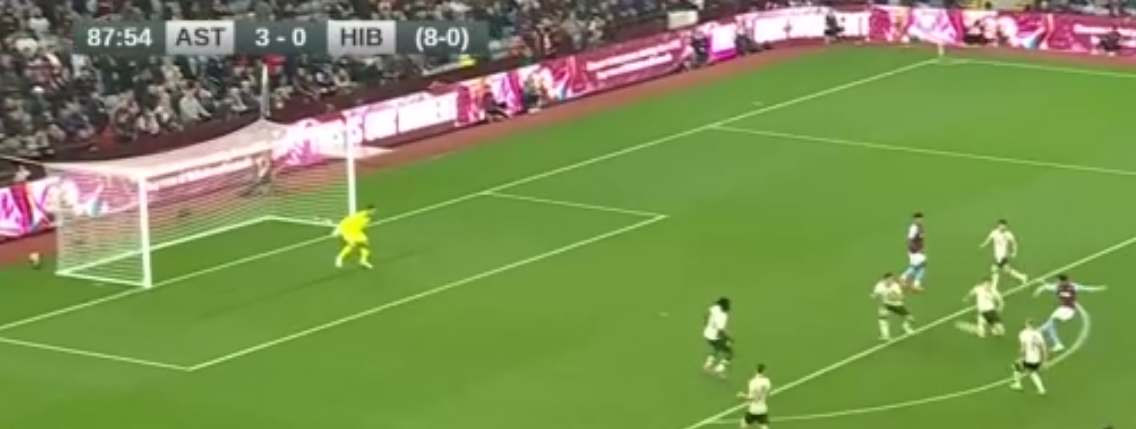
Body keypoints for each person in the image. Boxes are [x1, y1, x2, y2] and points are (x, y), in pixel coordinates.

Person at [1033, 274, 1106, 351]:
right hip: (1063, 309)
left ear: (1062, 281)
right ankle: (1054, 342)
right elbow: (1046, 287)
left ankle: (1038, 333)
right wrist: (1040, 287)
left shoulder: (1071, 286)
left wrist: (1099, 288)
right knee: (1051, 324)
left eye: (1058, 281)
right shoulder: (1060, 287)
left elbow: (1086, 288)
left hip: (1067, 310)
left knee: (1051, 322)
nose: (1057, 282)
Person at [979, 219, 1028, 288]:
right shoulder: (994, 233)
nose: (1002, 227)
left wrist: (1014, 252)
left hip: (1003, 256)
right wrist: (983, 244)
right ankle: (1022, 277)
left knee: (994, 269)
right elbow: (989, 239)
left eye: (1004, 226)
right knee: (1006, 270)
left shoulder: (1008, 234)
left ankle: (994, 287)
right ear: (998, 225)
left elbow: (1014, 243)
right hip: (997, 255)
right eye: (1001, 225)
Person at [872, 273, 914, 340]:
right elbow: (876, 293)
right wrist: (874, 296)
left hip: (897, 305)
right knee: (882, 318)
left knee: (910, 319)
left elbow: (901, 297)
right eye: (889, 279)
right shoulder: (879, 286)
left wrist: (895, 297)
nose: (891, 281)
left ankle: (905, 326)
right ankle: (885, 335)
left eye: (892, 279)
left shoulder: (896, 286)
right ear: (884, 279)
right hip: (886, 304)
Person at [1010, 319, 1047, 394]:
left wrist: (1021, 357)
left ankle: (1018, 384)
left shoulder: (1023, 334)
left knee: (1016, 366)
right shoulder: (1038, 334)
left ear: (1027, 325)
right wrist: (1044, 360)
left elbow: (1023, 348)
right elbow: (1043, 347)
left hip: (1028, 358)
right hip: (1037, 359)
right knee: (1032, 372)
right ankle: (1041, 389)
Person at [334, 205, 377, 269]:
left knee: (365, 245)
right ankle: (339, 258)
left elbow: (362, 225)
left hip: (357, 232)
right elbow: (345, 221)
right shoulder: (358, 215)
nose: (374, 212)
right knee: (352, 245)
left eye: (374, 211)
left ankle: (363, 261)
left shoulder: (369, 217)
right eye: (372, 211)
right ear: (368, 210)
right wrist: (338, 230)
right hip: (348, 231)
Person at [702, 297, 733, 377]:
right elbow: (720, 333)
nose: (729, 306)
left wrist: (706, 324)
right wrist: (728, 338)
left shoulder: (715, 308)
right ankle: (719, 369)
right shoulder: (723, 317)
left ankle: (707, 365)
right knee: (729, 353)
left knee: (716, 349)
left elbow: (706, 314)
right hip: (714, 337)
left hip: (706, 334)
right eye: (727, 305)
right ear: (724, 306)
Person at [738, 364, 771, 429]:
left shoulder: (752, 382)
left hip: (753, 409)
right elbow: (767, 393)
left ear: (756, 370)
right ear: (764, 371)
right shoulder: (767, 381)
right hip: (763, 408)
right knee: (764, 426)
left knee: (743, 424)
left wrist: (742, 395)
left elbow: (751, 397)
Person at [900, 213, 926, 290]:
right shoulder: (913, 228)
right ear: (914, 220)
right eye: (918, 219)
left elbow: (920, 239)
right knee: (919, 265)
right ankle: (905, 278)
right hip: (914, 251)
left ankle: (914, 283)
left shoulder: (920, 227)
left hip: (918, 250)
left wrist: (922, 248)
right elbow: (909, 241)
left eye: (921, 219)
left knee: (919, 266)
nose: (920, 220)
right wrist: (917, 249)